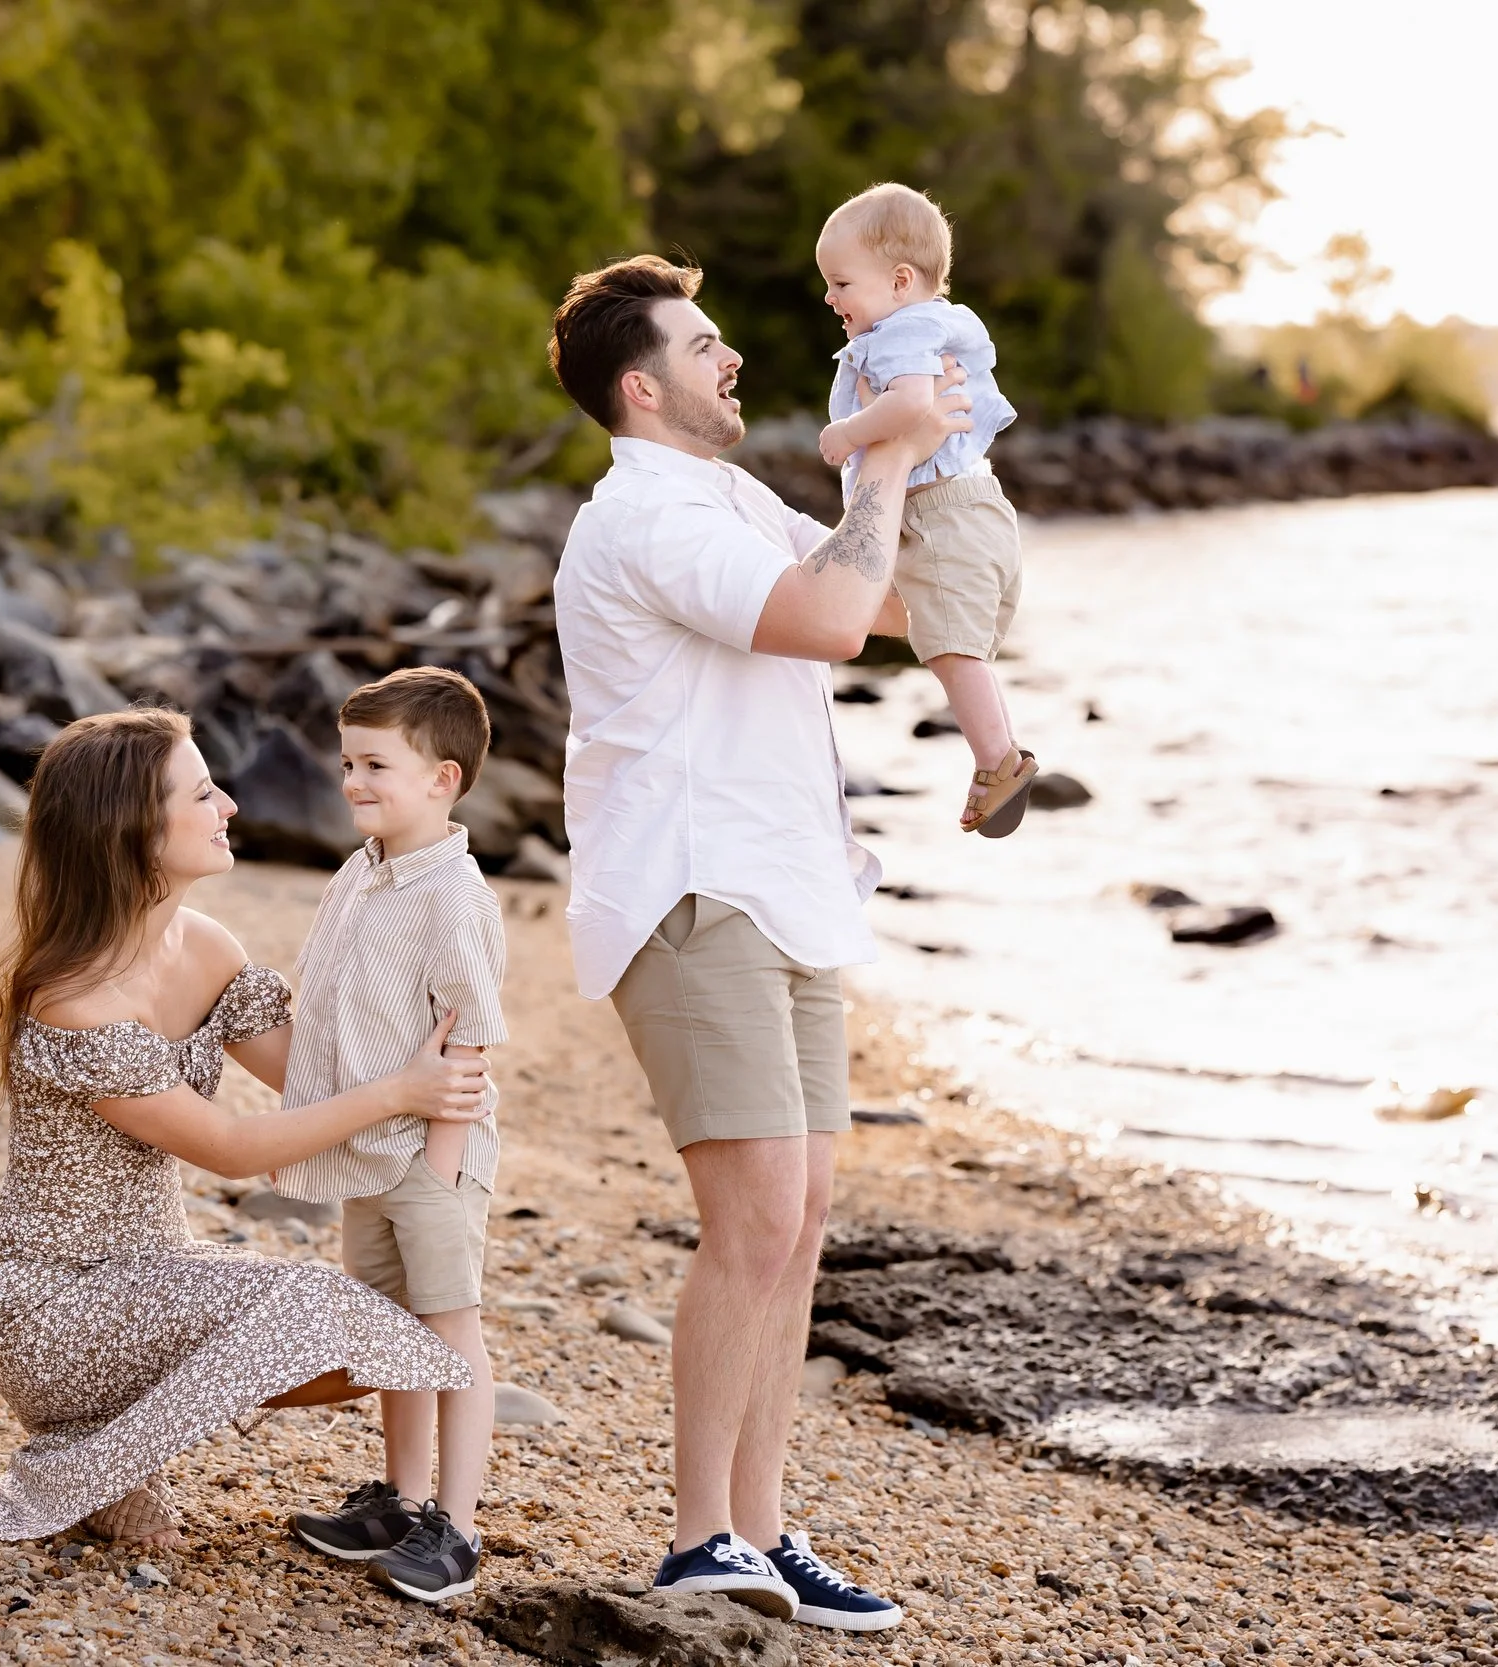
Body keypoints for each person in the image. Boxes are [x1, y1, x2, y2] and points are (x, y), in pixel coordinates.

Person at [546, 253, 967, 1633]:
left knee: (800, 1232)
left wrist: (957, 513)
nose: (734, 361)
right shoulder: (645, 514)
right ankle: (695, 1536)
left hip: (788, 887)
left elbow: (885, 603)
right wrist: (884, 457)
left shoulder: (729, 496)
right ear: (641, 384)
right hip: (689, 886)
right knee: (757, 1221)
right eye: (706, 344)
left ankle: (768, 1529)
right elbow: (829, 617)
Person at [0, 707, 491, 1549]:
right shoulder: (74, 996)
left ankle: (102, 1459)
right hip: (49, 1309)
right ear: (135, 832)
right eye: (203, 792)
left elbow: (311, 1077)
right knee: (324, 1306)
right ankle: (85, 1451)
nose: (228, 806)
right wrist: (406, 1090)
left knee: (370, 1324)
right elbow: (227, 1148)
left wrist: (437, 1010)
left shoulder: (205, 943)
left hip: (157, 1277)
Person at [275, 668, 508, 1603]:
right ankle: (400, 1503)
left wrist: (444, 1167)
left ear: (442, 779)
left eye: (376, 763)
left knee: (450, 1332)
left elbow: (474, 1029)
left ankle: (459, 1524)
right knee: (390, 1332)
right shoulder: (362, 870)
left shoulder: (454, 894)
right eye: (347, 762)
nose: (354, 781)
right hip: (370, 1148)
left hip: (429, 1157)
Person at [814, 182, 1036, 837]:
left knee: (949, 648)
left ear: (901, 280)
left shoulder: (902, 333)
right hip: (975, 505)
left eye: (841, 282)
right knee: (952, 638)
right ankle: (996, 750)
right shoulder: (934, 321)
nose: (830, 297)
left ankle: (998, 757)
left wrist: (848, 433)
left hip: (940, 513)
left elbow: (913, 405)